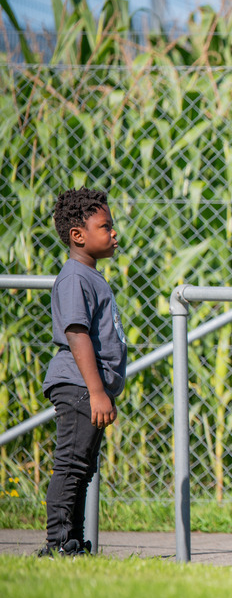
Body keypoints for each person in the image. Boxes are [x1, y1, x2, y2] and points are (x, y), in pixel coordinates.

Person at [38, 188, 127, 557]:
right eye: (105, 226)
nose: (113, 233)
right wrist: (97, 391)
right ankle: (58, 544)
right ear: (78, 235)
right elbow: (77, 334)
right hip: (78, 384)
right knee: (71, 465)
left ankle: (72, 542)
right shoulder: (75, 277)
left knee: (83, 468)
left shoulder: (88, 276)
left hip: (84, 386)